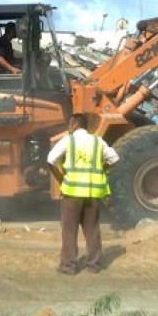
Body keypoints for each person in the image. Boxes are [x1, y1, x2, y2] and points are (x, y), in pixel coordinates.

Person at [46, 114, 119, 275]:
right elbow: (115, 158)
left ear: (74, 124)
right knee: (92, 230)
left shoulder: (68, 141)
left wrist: (60, 178)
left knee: (69, 231)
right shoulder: (98, 142)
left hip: (72, 193)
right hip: (93, 193)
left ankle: (68, 266)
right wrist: (103, 169)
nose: (69, 127)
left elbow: (50, 159)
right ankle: (94, 265)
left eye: (69, 124)